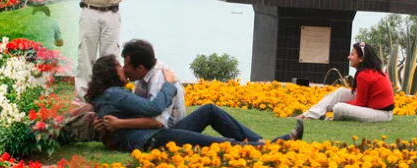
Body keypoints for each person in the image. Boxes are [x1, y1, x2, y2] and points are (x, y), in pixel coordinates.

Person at [87, 55, 304, 152]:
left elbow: (112, 138)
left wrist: (114, 128)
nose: (123, 68)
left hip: (157, 135)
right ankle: (279, 144)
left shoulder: (106, 98)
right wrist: (169, 84)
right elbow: (153, 109)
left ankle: (262, 142)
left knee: (209, 110)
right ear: (109, 72)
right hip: (153, 140)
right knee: (220, 144)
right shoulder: (113, 94)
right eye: (118, 65)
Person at [296, 42, 394, 122]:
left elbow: (361, 103)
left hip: (382, 114)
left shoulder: (364, 75)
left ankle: (323, 117)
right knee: (341, 92)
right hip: (375, 109)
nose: (349, 57)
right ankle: (310, 114)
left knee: (339, 108)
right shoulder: (368, 71)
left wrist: (339, 104)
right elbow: (361, 100)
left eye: (352, 54)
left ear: (361, 59)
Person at [120, 39, 186, 128]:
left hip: (169, 130)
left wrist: (119, 124)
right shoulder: (144, 73)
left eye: (126, 66)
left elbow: (157, 122)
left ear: (140, 68)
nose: (124, 69)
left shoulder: (159, 80)